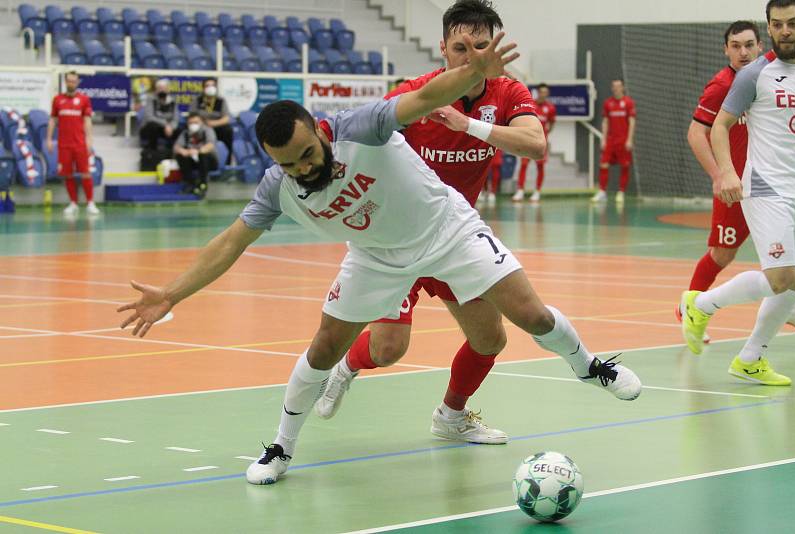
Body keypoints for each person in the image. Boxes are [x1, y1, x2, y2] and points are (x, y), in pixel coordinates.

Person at [117, 32, 642, 487]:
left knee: (530, 315)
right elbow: (230, 243)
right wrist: (171, 294)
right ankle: (280, 447)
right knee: (324, 347)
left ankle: (589, 366)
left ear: (320, 134)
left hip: (447, 229)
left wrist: (472, 75)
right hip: (376, 256)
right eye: (289, 164)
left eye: (307, 155)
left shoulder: (359, 126)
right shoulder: (279, 188)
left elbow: (423, 98)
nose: (303, 169)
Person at [317, 0, 545, 445]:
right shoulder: (415, 95)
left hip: (455, 238)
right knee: (387, 349)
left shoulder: (508, 93)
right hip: (399, 238)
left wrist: (469, 126)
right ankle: (345, 367)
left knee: (489, 339)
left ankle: (451, 417)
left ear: (494, 48)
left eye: (481, 46)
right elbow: (360, 136)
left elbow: (535, 145)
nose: (472, 57)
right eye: (461, 47)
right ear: (443, 48)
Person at [681, 0, 795, 386]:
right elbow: (717, 127)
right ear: (770, 27)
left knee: (788, 279)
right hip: (765, 186)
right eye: (778, 24)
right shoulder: (754, 74)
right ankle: (701, 305)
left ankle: (750, 359)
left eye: (793, 23)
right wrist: (725, 173)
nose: (785, 31)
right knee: (782, 276)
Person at [679, 21, 766, 344]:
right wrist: (719, 174)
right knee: (722, 254)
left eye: (748, 44)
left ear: (760, 45)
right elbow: (695, 132)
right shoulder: (721, 85)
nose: (743, 52)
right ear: (725, 49)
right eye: (735, 45)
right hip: (736, 187)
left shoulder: (770, 79)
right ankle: (690, 307)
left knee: (783, 256)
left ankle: (787, 314)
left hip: (768, 184)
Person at [47, 71, 99, 216]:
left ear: (77, 82)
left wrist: (89, 139)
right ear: (65, 81)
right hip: (64, 144)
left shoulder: (84, 100)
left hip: (80, 144)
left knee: (85, 173)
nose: (71, 83)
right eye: (69, 81)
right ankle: (73, 203)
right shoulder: (57, 100)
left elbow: (87, 121)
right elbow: (52, 120)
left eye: (74, 81)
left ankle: (90, 203)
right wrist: (49, 139)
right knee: (67, 174)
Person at [591, 79, 636, 204]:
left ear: (623, 87)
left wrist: (629, 139)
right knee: (603, 164)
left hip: (623, 140)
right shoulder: (608, 103)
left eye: (618, 86)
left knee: (625, 166)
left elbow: (632, 122)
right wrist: (603, 139)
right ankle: (602, 192)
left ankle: (621, 192)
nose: (616, 88)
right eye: (614, 86)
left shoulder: (628, 103)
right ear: (612, 88)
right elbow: (605, 122)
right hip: (610, 140)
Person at [513, 83, 556, 203]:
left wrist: (545, 135)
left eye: (546, 92)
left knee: (540, 166)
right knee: (524, 165)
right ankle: (520, 190)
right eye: (541, 92)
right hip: (527, 141)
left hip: (541, 142)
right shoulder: (530, 105)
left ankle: (537, 191)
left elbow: (552, 123)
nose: (543, 94)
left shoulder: (551, 108)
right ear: (537, 92)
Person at [173, 112, 218, 197]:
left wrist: (198, 151)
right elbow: (176, 147)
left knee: (203, 156)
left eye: (196, 122)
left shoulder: (208, 130)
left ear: (201, 122)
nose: (193, 125)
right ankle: (190, 184)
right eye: (191, 123)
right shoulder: (185, 133)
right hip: (192, 160)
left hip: (209, 161)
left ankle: (203, 185)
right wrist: (183, 151)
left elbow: (211, 145)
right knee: (180, 156)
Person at [191, 79, 233, 164]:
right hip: (201, 126)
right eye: (207, 85)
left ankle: (227, 162)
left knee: (228, 130)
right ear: (203, 88)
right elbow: (192, 116)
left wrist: (213, 123)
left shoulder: (221, 100)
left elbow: (227, 118)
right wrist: (202, 123)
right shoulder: (197, 100)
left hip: (217, 126)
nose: (210, 88)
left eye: (212, 85)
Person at [139, 79, 178, 169]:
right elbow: (149, 117)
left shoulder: (172, 101)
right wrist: (166, 125)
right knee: (153, 127)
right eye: (159, 88)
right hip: (150, 128)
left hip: (167, 129)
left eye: (164, 88)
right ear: (156, 90)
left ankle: (174, 155)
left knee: (179, 130)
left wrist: (171, 127)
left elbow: (175, 119)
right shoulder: (151, 99)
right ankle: (152, 153)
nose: (162, 90)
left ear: (168, 89)